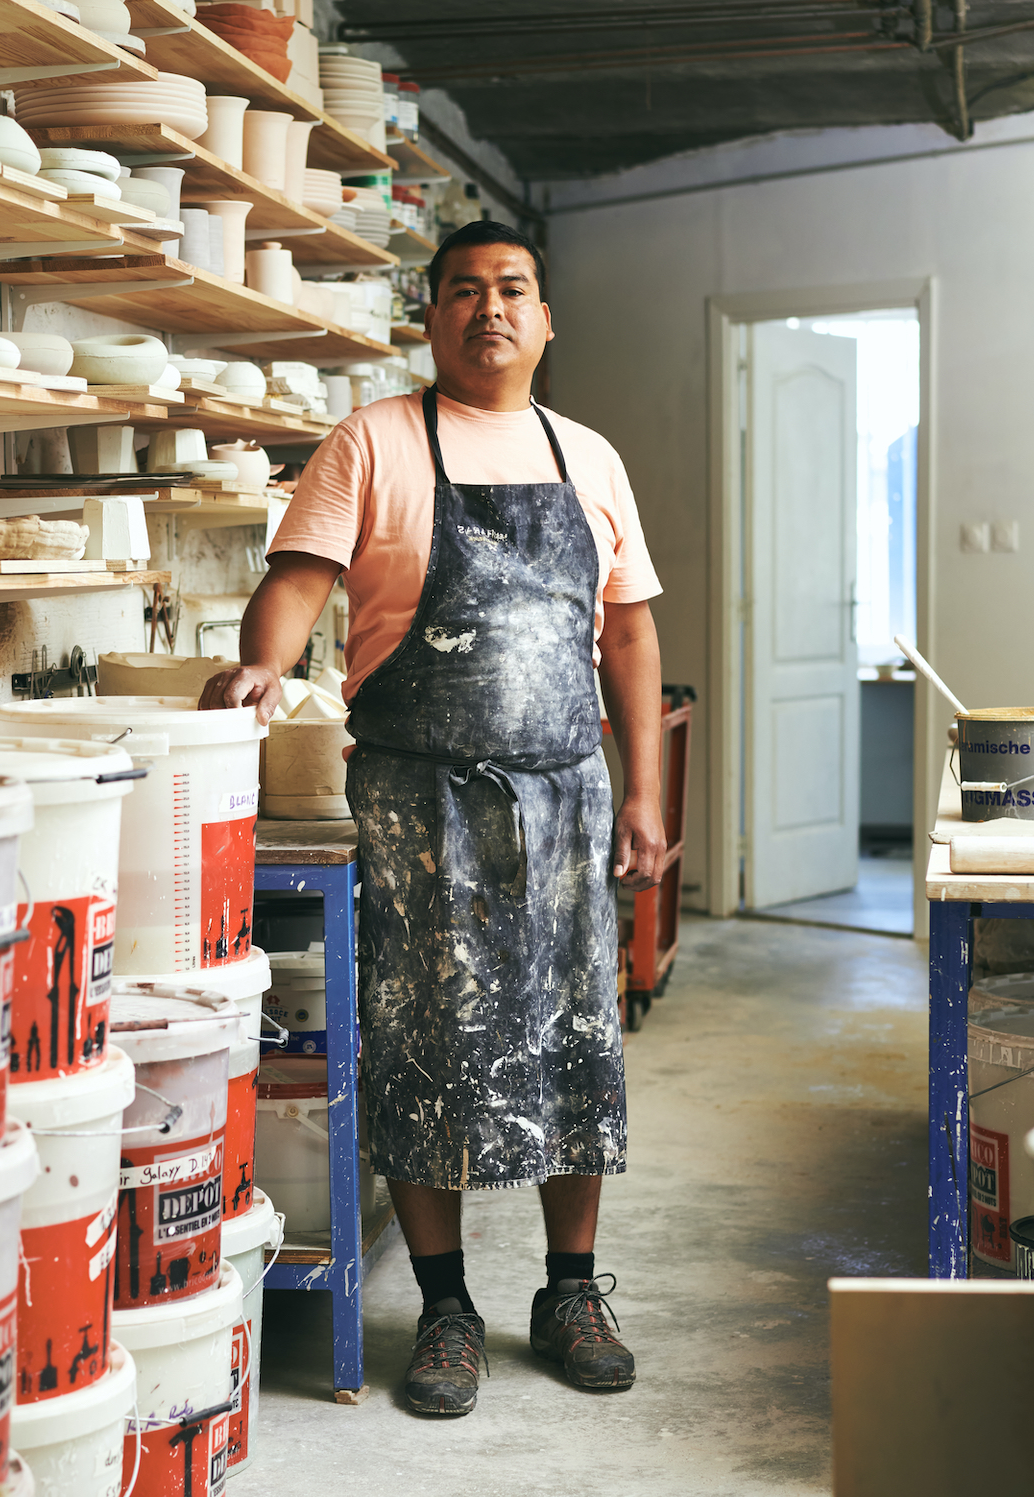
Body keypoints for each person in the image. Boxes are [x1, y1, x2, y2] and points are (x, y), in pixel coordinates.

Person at [200, 220, 666, 1416]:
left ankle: (569, 1291)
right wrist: (262, 667)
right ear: (431, 318)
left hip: (567, 793)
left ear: (545, 320)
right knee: (422, 1050)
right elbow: (298, 582)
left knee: (573, 1047)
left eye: (513, 289)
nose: (490, 307)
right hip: (416, 799)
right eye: (463, 290)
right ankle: (445, 1309)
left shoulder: (589, 457)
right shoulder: (372, 441)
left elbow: (627, 631)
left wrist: (649, 794)